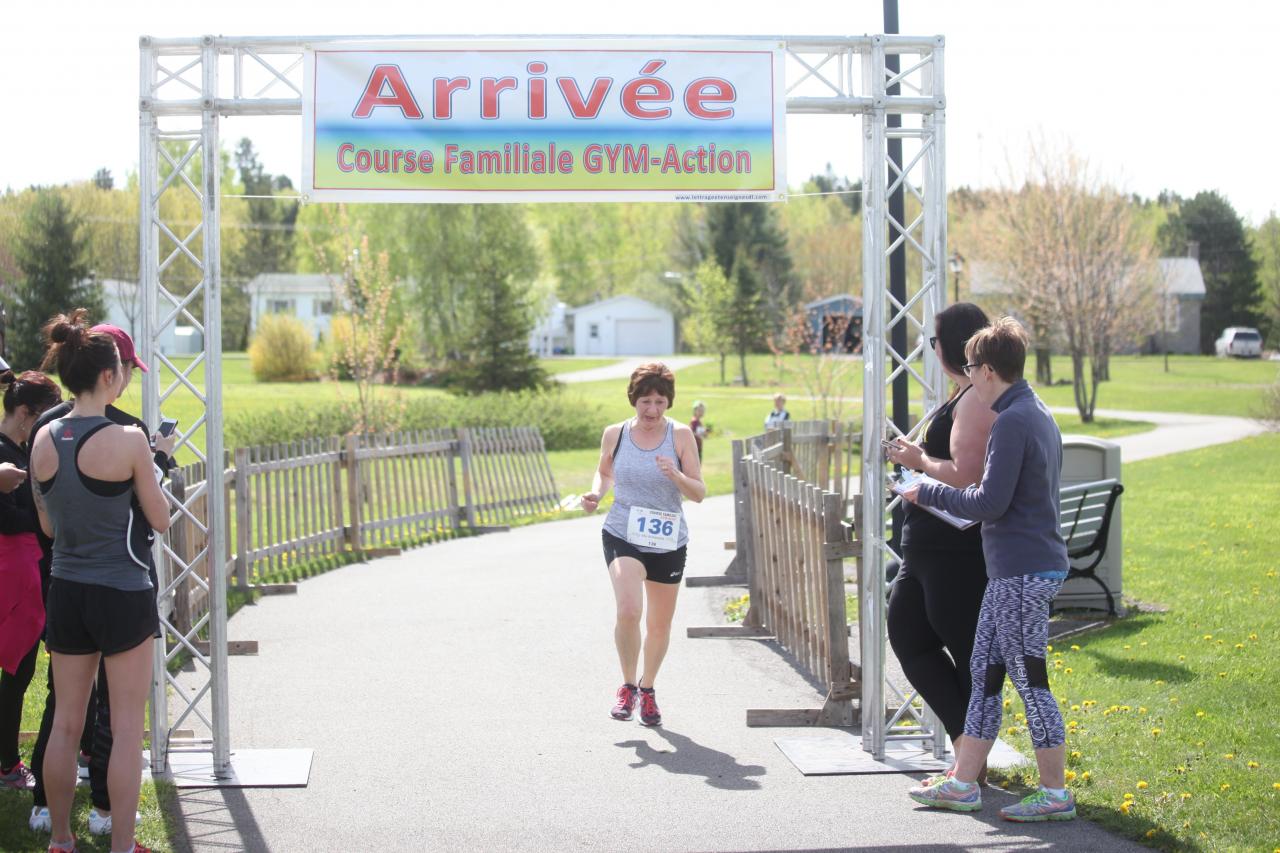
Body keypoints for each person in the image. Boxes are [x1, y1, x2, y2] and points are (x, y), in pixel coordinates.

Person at [900, 317, 1075, 822]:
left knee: (1029, 678)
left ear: (991, 370)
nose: (968, 377)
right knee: (984, 674)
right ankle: (962, 782)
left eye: (973, 367)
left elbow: (991, 502)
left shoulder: (1015, 420)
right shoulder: (1030, 411)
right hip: (1013, 569)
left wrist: (923, 488)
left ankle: (1056, 793)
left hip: (1023, 570)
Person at [29, 310, 171, 853]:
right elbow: (159, 519)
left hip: (66, 590)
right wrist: (152, 471)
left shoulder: (42, 438)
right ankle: (122, 846)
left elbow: (47, 525)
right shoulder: (131, 440)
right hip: (123, 592)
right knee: (126, 730)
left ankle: (61, 841)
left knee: (66, 722)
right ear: (110, 377)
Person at [883, 304, 995, 782]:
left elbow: (967, 477)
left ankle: (968, 768)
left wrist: (918, 461)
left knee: (969, 654)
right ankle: (965, 750)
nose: (931, 348)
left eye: (934, 340)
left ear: (953, 344)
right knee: (908, 635)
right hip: (924, 545)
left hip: (955, 549)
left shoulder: (976, 399)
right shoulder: (961, 394)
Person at [582, 363, 705, 727]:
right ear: (634, 400)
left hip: (667, 539)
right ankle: (626, 686)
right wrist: (596, 493)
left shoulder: (681, 436)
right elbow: (605, 472)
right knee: (629, 610)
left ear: (668, 403)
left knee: (659, 625)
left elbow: (698, 493)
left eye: (660, 402)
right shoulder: (615, 434)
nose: (652, 410)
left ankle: (647, 688)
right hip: (622, 531)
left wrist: (676, 475)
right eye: (645, 402)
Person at [0, 369, 62, 791]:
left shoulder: (18, 450)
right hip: (15, 580)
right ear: (26, 414)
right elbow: (6, 519)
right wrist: (44, 520)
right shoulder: (7, 455)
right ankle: (7, 764)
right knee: (17, 673)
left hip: (27, 577)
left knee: (20, 674)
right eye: (46, 417)